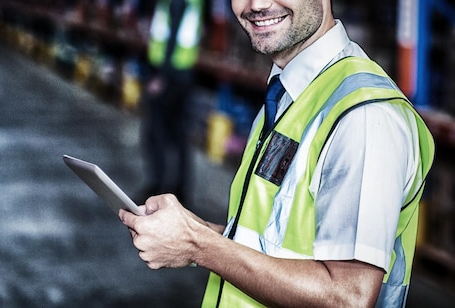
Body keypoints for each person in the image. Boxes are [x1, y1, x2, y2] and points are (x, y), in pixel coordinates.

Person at [120, 0, 435, 307]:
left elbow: (348, 297)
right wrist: (194, 230)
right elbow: (279, 239)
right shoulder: (289, 91)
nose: (256, 4)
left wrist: (198, 245)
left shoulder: (363, 116)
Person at [138, 0, 203, 204]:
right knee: (179, 135)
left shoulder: (176, 2)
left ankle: (157, 186)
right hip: (183, 74)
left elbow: (173, 37)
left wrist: (161, 77)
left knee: (155, 134)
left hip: (170, 76)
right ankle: (180, 190)